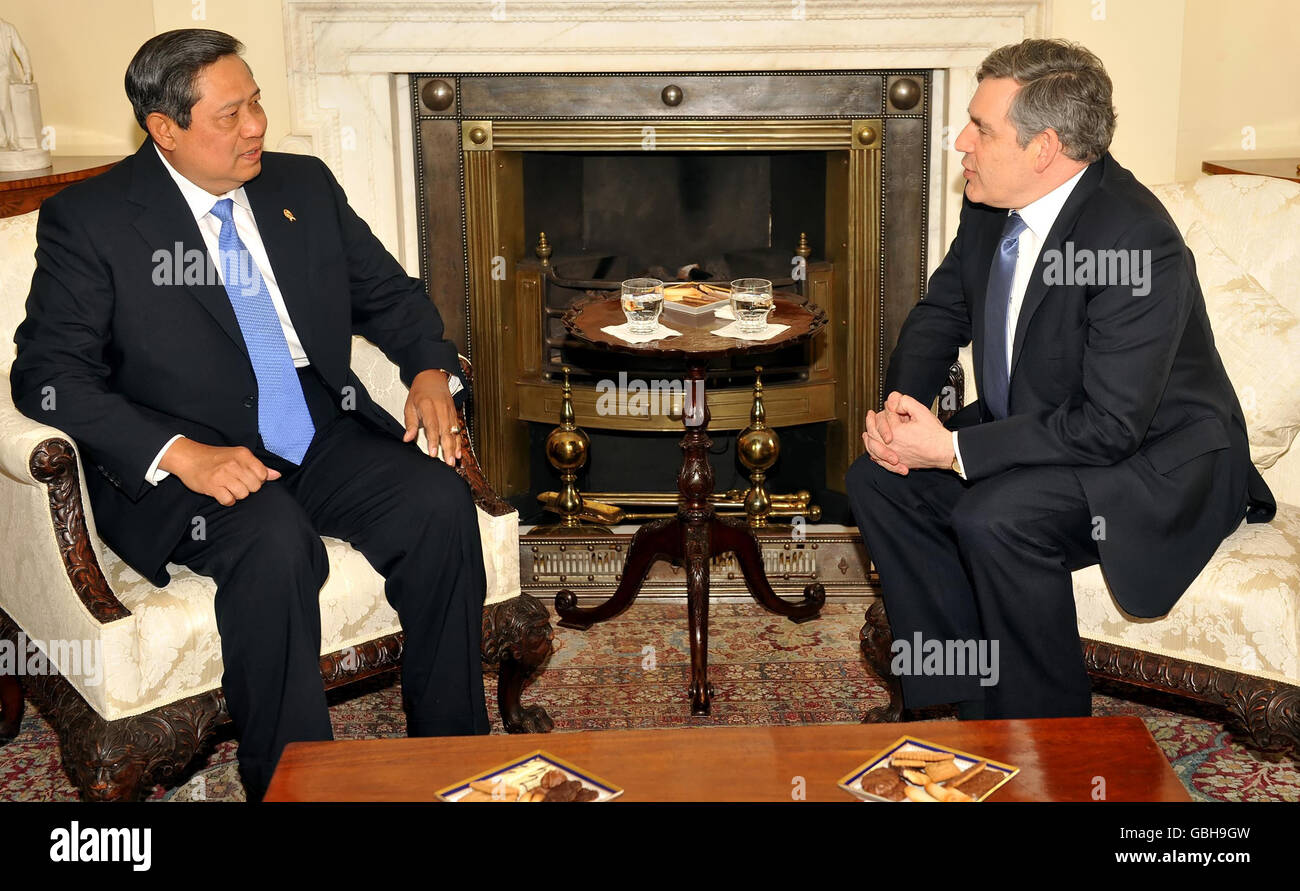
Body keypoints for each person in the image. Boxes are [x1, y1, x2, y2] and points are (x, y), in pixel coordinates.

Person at [10, 29, 490, 801]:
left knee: (437, 503)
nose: (258, 124)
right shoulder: (90, 220)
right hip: (187, 455)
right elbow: (46, 376)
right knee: (274, 542)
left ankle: (452, 762)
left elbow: (390, 294)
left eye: (257, 100)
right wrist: (180, 452)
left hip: (311, 422)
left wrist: (429, 367)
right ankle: (297, 785)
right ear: (165, 129)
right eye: (230, 114)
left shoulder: (300, 185)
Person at [846, 38, 1275, 721]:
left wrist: (954, 451)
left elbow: (1109, 427)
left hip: (1152, 458)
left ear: (1043, 148)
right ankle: (956, 695)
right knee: (878, 480)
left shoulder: (1133, 240)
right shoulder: (991, 203)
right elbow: (940, 314)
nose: (962, 142)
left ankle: (1048, 740)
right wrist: (904, 411)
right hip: (1051, 427)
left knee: (995, 515)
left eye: (981, 129)